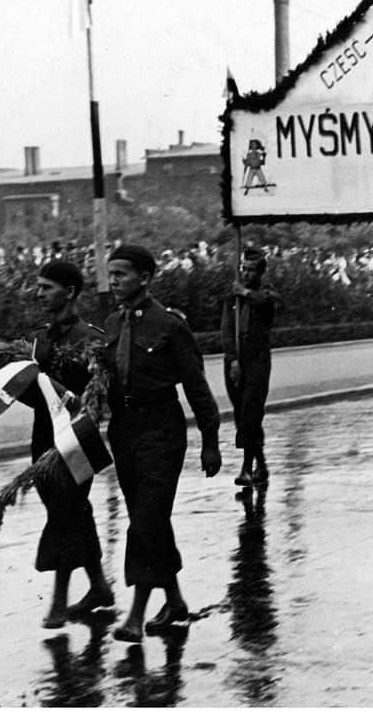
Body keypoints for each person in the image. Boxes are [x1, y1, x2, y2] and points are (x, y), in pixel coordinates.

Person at [103, 244, 222, 643]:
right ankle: (174, 600)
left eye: (121, 274)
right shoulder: (112, 323)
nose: (114, 281)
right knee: (149, 518)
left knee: (146, 518)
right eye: (111, 273)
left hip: (162, 430)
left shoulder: (169, 324)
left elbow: (196, 385)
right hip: (124, 431)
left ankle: (135, 615)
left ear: (146, 278)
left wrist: (210, 439)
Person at [25, 261, 113, 628]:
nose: (40, 293)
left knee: (64, 511)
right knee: (71, 510)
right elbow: (33, 393)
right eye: (40, 286)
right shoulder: (41, 339)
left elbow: (99, 398)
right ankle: (99, 588)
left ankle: (59, 601)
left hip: (78, 438)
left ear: (71, 292)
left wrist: (62, 393)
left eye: (47, 287)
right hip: (43, 437)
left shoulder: (90, 338)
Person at [221, 248, 278, 487]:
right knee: (240, 415)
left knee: (250, 415)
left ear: (261, 272)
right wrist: (232, 360)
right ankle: (261, 464)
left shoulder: (266, 294)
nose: (244, 273)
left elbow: (263, 302)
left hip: (257, 361)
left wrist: (245, 292)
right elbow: (225, 330)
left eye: (250, 269)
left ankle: (246, 468)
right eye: (242, 268)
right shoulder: (233, 298)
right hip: (236, 362)